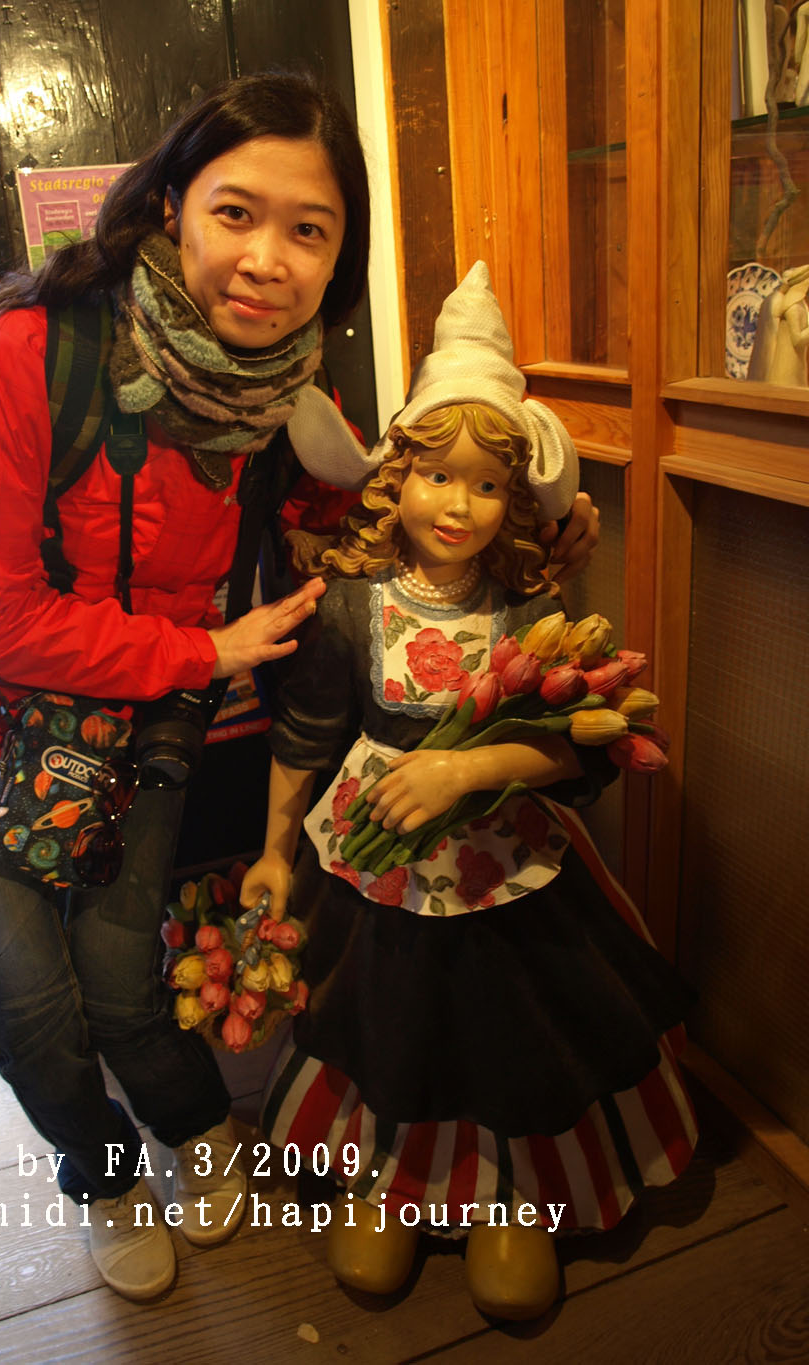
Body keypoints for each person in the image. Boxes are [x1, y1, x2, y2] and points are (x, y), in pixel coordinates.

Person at [0, 71, 599, 1304]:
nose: (266, 260)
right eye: (236, 212)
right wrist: (200, 656)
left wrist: (535, 535)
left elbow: (375, 523)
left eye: (308, 230)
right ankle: (102, 1175)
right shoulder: (31, 353)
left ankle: (192, 1129)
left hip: (140, 725)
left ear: (338, 259)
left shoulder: (288, 402)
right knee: (31, 1006)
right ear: (171, 204)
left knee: (126, 979)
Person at [240, 262, 696, 1321]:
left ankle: (508, 1195)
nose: (458, 504)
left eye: (488, 485)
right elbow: (305, 733)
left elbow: (580, 746)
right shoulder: (351, 606)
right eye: (437, 476)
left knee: (509, 1028)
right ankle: (390, 1179)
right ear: (394, 477)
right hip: (374, 869)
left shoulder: (526, 606)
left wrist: (474, 766)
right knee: (385, 1020)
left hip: (503, 868)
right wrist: (272, 849)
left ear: (516, 499)